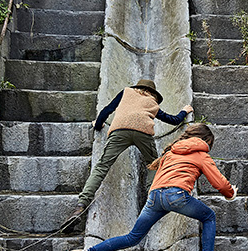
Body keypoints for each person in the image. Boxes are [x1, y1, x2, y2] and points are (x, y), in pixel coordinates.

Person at [64, 123, 237, 251]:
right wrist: (230, 193)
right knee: (209, 216)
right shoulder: (201, 154)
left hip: (155, 196)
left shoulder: (171, 151)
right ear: (206, 141)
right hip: (176, 195)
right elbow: (220, 183)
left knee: (132, 237)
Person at [61, 79, 194, 233]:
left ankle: (80, 206)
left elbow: (107, 110)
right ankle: (151, 205)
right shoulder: (153, 103)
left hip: (119, 131)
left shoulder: (126, 92)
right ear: (153, 93)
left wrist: (98, 125)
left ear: (137, 87)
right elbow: (174, 120)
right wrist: (185, 110)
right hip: (143, 133)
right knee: (154, 165)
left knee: (101, 167)